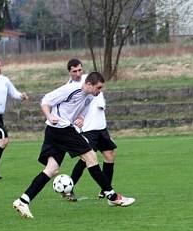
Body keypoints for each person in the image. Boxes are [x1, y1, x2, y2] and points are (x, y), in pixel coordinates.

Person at [12, 72, 135, 219]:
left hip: (55, 131)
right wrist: (49, 116)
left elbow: (83, 109)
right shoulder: (70, 89)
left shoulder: (90, 96)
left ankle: (23, 201)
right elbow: (45, 101)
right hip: (61, 129)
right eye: (98, 87)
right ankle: (112, 196)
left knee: (52, 169)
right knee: (91, 157)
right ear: (89, 84)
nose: (100, 91)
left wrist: (81, 117)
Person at [61, 59, 118, 201]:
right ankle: (69, 189)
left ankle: (105, 190)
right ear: (69, 72)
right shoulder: (68, 88)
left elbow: (99, 99)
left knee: (110, 155)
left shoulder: (91, 80)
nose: (78, 73)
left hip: (101, 126)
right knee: (86, 160)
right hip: (87, 129)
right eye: (74, 71)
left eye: (80, 70)